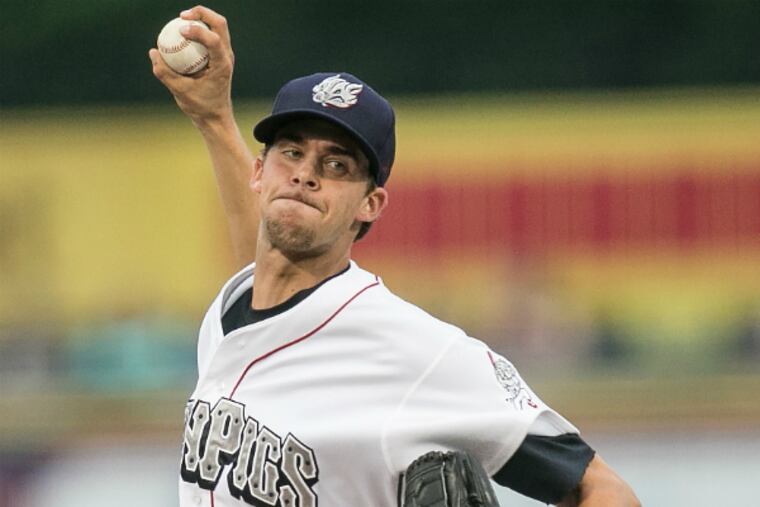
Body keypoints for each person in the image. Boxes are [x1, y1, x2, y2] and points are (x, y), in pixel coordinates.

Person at [149, 6, 640, 507]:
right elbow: (262, 257)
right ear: (259, 172)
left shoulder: (415, 350)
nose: (304, 175)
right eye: (291, 153)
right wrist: (213, 119)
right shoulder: (232, 309)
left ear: (371, 204)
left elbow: (601, 489)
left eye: (335, 164)